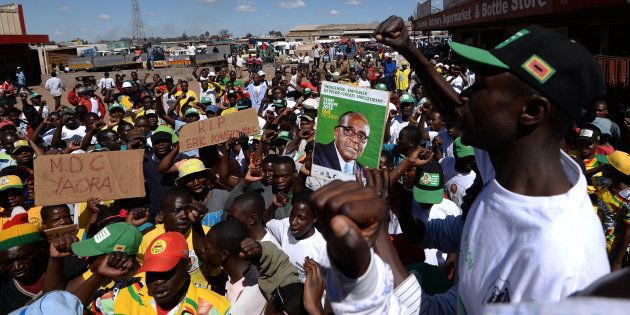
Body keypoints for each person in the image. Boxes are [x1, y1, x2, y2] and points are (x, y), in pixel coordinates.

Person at [373, 16, 610, 312]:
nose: (465, 96)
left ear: (532, 111)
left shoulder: (561, 264)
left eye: (481, 86)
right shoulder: (505, 159)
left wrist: (375, 232)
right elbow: (457, 111)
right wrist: (410, 50)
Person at [114, 232, 230, 314]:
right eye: (152, 272)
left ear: (187, 264)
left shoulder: (215, 308)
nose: (158, 281)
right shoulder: (127, 293)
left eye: (166, 272)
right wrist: (99, 276)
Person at [202, 219, 267, 314]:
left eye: (207, 248)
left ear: (223, 254)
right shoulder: (255, 271)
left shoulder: (242, 304)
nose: (203, 251)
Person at [265, 193, 329, 282]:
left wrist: (318, 277)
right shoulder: (285, 225)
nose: (293, 222)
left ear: (314, 219)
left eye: (301, 218)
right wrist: (273, 206)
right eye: (291, 215)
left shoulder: (323, 249)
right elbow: (265, 222)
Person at [0, 211, 47, 313]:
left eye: (23, 257)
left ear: (41, 248)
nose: (17, 267)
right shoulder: (5, 296)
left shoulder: (68, 267)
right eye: (9, 262)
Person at [313, 111, 369, 177]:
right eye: (349, 131)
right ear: (336, 132)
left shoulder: (364, 175)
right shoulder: (315, 153)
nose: (355, 140)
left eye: (362, 136)